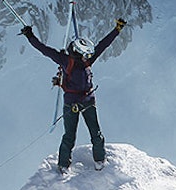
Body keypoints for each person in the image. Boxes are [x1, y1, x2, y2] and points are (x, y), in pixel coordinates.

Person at [22, 16, 126, 172]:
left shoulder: (74, 60)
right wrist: (30, 36)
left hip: (76, 102)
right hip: (82, 101)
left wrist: (116, 30)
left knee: (76, 135)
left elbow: (103, 45)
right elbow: (43, 49)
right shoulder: (72, 61)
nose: (87, 56)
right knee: (89, 134)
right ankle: (90, 161)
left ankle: (70, 164)